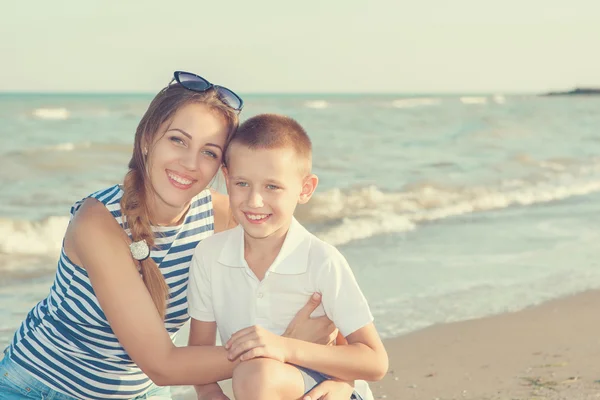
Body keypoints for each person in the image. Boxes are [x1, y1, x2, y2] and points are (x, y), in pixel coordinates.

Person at [0, 72, 354, 400]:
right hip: (38, 388)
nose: (190, 163)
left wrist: (339, 377)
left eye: (209, 152)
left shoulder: (225, 215)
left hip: (145, 394)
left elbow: (315, 288)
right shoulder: (98, 223)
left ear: (223, 167)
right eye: (177, 140)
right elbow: (163, 364)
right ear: (146, 138)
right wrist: (282, 347)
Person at [187, 114, 389, 400]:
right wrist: (209, 393)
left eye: (272, 186)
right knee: (254, 376)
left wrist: (285, 347)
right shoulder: (209, 256)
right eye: (242, 183)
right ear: (226, 178)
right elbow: (199, 360)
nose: (254, 201)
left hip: (326, 391)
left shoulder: (321, 260)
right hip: (255, 390)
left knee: (256, 375)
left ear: (305, 189)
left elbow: (375, 361)